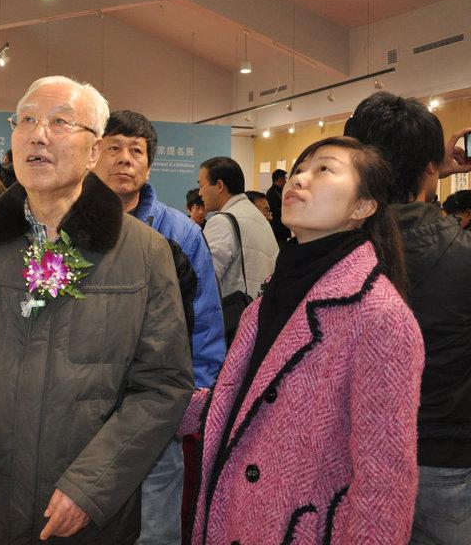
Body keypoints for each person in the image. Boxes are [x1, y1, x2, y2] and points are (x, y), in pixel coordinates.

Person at [0, 76, 194, 544]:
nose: (38, 135)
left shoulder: (144, 252)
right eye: (26, 120)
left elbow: (163, 385)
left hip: (89, 517)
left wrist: (91, 488)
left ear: (94, 150)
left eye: (60, 122)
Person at [180, 136, 424, 544]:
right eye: (299, 169)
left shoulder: (378, 314)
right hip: (237, 516)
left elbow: (384, 479)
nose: (299, 179)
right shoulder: (275, 295)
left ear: (363, 207)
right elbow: (248, 402)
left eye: (324, 169)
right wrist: (157, 402)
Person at [344, 91, 471, 544]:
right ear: (431, 167)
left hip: (353, 450)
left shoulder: (331, 244)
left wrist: (429, 172)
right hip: (452, 454)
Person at [92, 109, 225, 545]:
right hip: (85, 409)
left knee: (156, 528)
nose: (124, 159)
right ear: (93, 155)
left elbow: (205, 322)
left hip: (155, 409)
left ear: (149, 166)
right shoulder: (70, 227)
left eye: (136, 151)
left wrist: (193, 399)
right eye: (113, 148)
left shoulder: (181, 233)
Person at [198, 157, 278, 340]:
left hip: (233, 326)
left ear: (219, 185)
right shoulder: (256, 216)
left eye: (201, 185)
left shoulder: (222, 222)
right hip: (262, 319)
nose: (200, 193)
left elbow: (204, 280)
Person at [266, 169, 290, 243]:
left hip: (283, 226)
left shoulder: (282, 191)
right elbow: (274, 210)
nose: (286, 181)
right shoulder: (271, 193)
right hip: (277, 227)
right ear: (280, 179)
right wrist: (288, 211)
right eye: (285, 179)